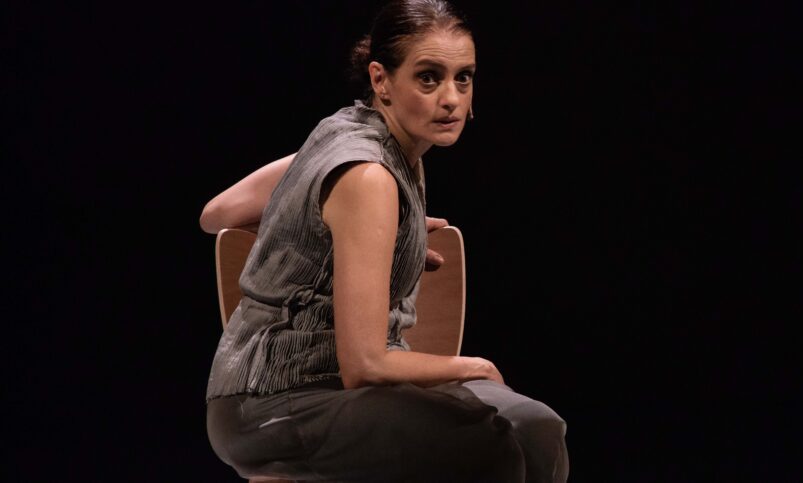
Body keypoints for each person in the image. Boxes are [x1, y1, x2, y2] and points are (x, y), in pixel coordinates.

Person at [201, 1, 569, 482]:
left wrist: (376, 235)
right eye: (428, 78)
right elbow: (365, 365)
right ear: (380, 80)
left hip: (345, 394)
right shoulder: (368, 173)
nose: (452, 98)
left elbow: (217, 213)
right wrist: (474, 366)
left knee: (538, 429)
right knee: (483, 444)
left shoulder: (363, 137)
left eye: (463, 78)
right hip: (273, 401)